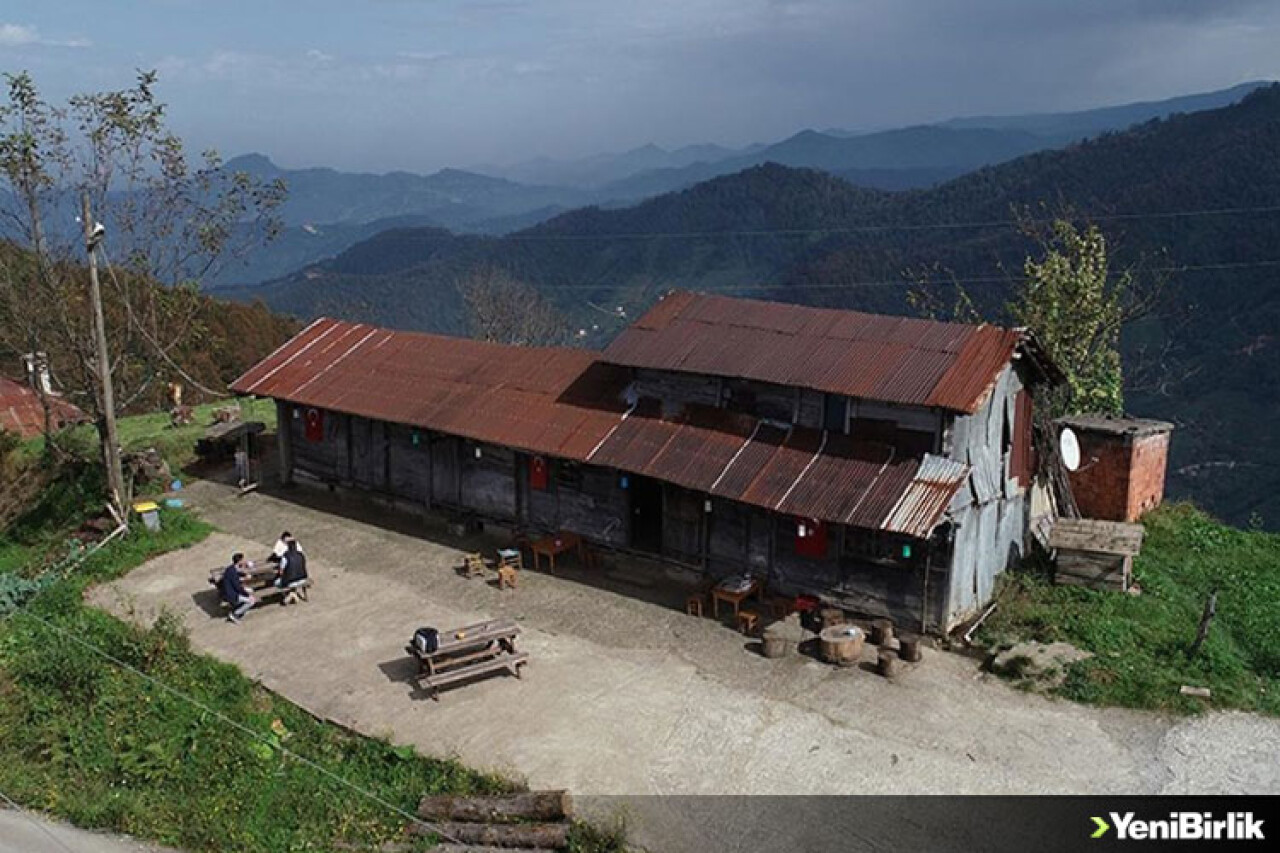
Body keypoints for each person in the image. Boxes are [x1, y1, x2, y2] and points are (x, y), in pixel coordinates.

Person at [219, 552, 255, 623]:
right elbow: (238, 588)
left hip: (227, 592)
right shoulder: (234, 572)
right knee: (252, 601)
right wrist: (248, 595)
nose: (244, 561)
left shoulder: (230, 568)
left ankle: (239, 608)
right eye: (242, 560)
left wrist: (243, 575)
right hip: (231, 595)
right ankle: (234, 614)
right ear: (239, 561)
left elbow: (236, 573)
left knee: (248, 592)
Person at [276, 537, 309, 605]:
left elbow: (281, 571)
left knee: (276, 583)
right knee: (293, 579)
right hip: (302, 578)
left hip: (290, 581)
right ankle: (293, 594)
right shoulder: (301, 555)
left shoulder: (285, 556)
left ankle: (289, 595)